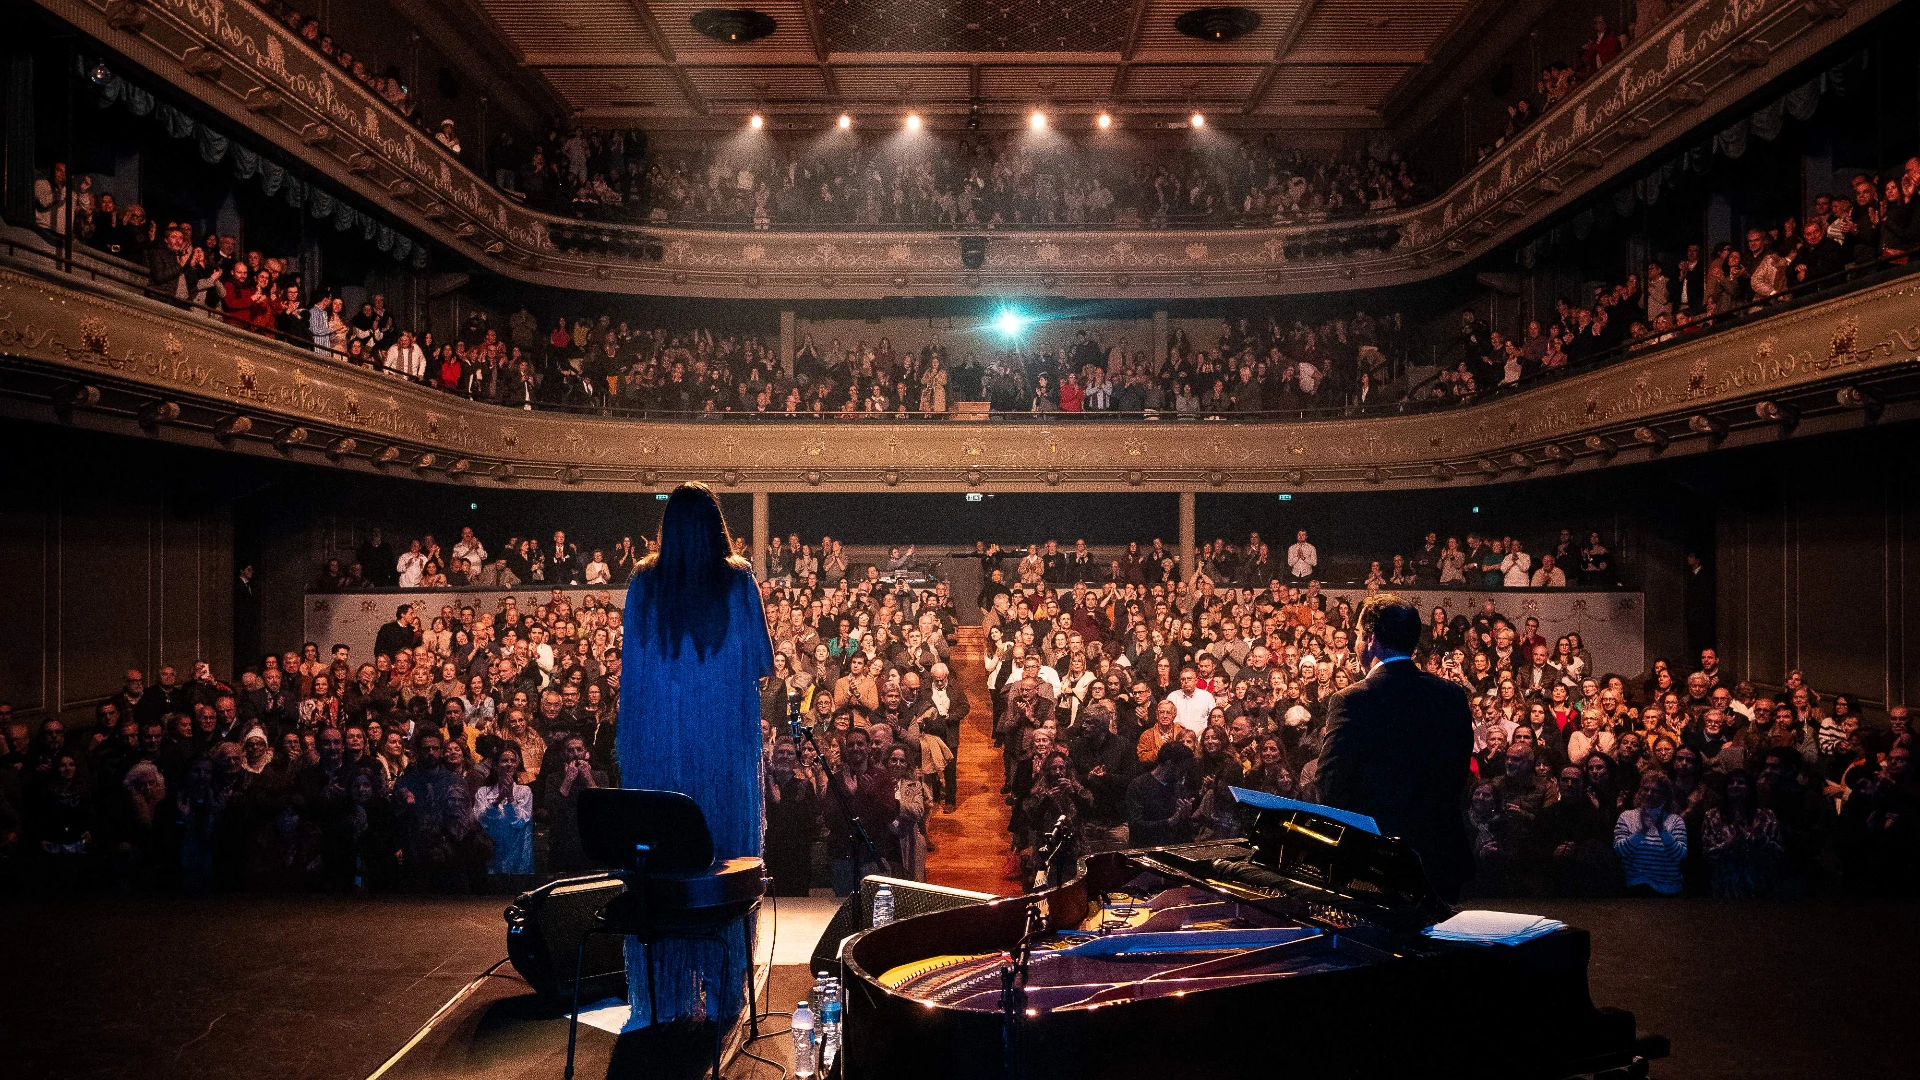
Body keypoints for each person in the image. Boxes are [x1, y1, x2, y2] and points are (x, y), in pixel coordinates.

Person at [616, 482, 772, 1028]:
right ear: (716, 525)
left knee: (663, 862)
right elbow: (760, 663)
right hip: (724, 750)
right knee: (724, 856)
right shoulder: (737, 580)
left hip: (657, 750)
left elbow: (631, 672)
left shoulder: (642, 585)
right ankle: (726, 993)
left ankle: (663, 998)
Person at [1315, 593, 1474, 900]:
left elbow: (1330, 784)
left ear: (1371, 638)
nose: (1357, 645)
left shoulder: (1351, 699)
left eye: (1359, 636)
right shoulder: (1450, 696)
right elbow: (1456, 774)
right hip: (1437, 855)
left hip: (1375, 862)